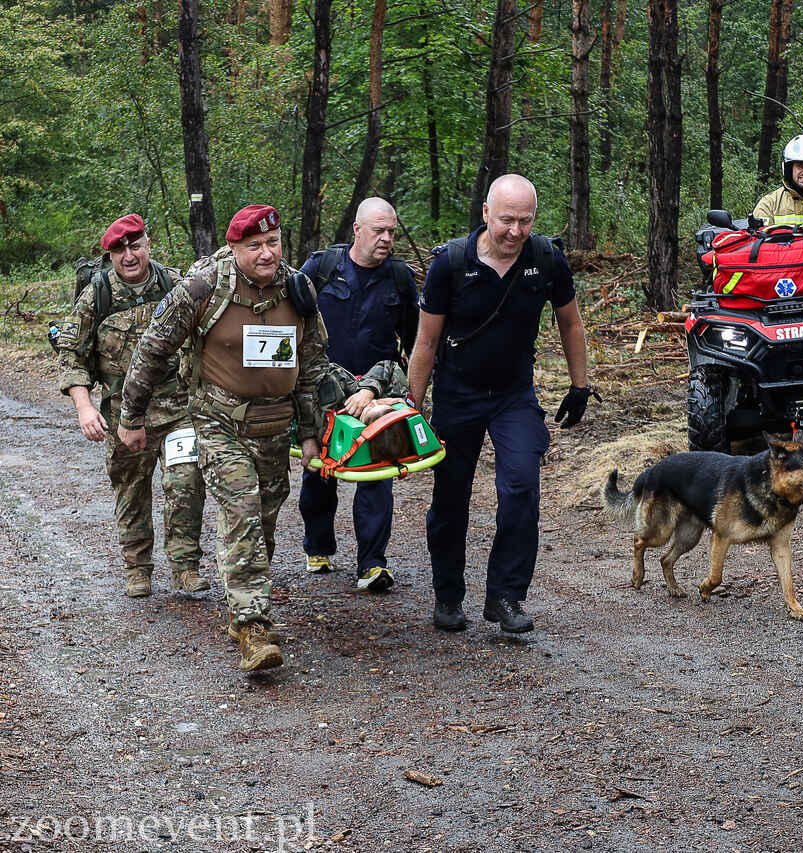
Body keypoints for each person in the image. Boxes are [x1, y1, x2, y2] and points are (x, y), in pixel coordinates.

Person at [117, 204, 328, 672]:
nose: (266, 253)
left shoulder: (298, 288)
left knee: (264, 520)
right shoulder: (203, 287)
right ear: (234, 249)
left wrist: (311, 432)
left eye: (273, 243)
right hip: (217, 421)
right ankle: (252, 624)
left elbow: (312, 364)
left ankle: (244, 601)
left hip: (274, 427)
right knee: (242, 508)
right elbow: (153, 349)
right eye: (254, 246)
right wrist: (131, 415)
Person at [406, 174, 596, 635]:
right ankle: (448, 595)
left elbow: (570, 323)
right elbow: (427, 341)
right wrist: (412, 407)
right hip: (458, 394)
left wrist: (579, 385)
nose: (515, 231)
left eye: (525, 221)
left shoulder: (546, 258)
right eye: (506, 220)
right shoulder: (450, 264)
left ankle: (506, 595)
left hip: (513, 394)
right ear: (486, 213)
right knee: (451, 498)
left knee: (521, 488)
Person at [52, 214, 208, 598]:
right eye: (119, 250)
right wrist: (85, 408)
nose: (129, 255)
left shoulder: (177, 285)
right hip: (124, 415)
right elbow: (72, 355)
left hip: (177, 409)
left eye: (135, 246)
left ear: (148, 244)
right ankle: (137, 568)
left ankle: (185, 567)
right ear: (110, 256)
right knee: (131, 490)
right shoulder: (98, 295)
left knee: (185, 483)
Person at [296, 198, 418, 592]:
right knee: (320, 471)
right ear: (357, 229)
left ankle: (372, 564)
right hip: (324, 389)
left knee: (378, 472)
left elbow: (416, 342)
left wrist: (411, 395)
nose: (386, 239)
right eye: (379, 231)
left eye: (391, 232)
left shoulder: (399, 278)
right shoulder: (323, 269)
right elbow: (290, 318)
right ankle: (318, 546)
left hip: (376, 393)